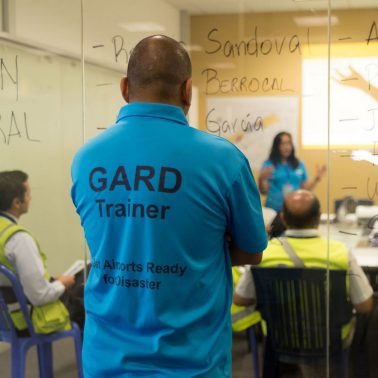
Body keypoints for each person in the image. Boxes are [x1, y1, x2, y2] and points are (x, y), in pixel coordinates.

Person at [71, 34, 267, 377]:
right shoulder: (224, 160)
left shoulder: (86, 159)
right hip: (193, 364)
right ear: (187, 90)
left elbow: (110, 239)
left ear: (124, 87)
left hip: (106, 362)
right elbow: (250, 252)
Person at [234, 189, 374, 375]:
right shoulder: (339, 253)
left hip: (279, 338)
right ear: (318, 217)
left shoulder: (265, 254)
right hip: (330, 340)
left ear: (283, 218)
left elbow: (240, 299)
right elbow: (364, 305)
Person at [0, 170, 85, 332]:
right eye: (28, 193)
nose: (30, 198)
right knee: (87, 300)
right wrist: (62, 283)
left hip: (6, 317)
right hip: (29, 318)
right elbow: (40, 296)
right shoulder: (18, 239)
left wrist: (53, 280)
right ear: (16, 202)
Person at [259, 131, 326, 214]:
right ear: (276, 146)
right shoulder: (268, 164)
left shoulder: (299, 164)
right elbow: (264, 191)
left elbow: (305, 189)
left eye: (289, 143)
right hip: (274, 211)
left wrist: (317, 178)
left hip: (294, 210)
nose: (286, 147)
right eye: (282, 144)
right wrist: (261, 178)